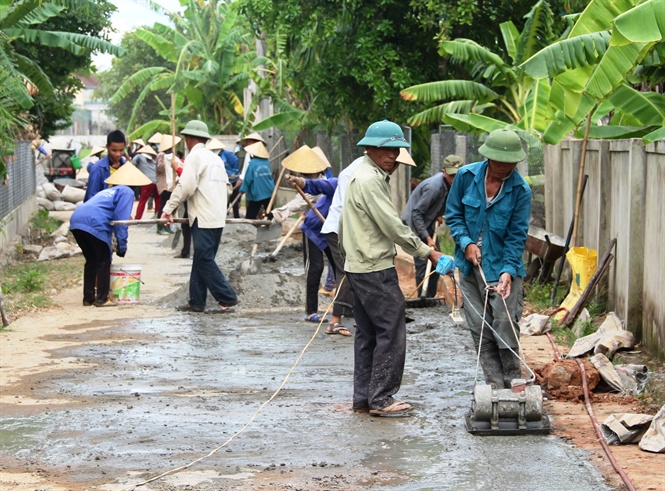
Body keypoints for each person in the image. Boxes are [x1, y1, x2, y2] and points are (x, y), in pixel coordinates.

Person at [339, 120, 443, 416]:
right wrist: (427, 252)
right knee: (391, 328)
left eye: (396, 149)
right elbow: (393, 225)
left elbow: (346, 221)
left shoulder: (360, 172)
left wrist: (348, 259)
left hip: (359, 265)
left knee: (368, 333)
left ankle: (364, 397)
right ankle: (382, 399)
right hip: (373, 266)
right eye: (386, 149)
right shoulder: (370, 180)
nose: (393, 155)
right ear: (370, 147)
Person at [445, 128, 532, 389]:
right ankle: (494, 385)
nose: (505, 168)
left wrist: (507, 271)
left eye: (511, 164)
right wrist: (466, 243)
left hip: (503, 266)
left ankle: (513, 380)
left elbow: (517, 236)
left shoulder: (521, 191)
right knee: (479, 326)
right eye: (500, 163)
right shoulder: (465, 176)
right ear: (488, 158)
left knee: (505, 322)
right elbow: (454, 215)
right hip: (470, 268)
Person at [161, 120, 238, 313]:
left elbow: (186, 186)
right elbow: (228, 188)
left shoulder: (195, 158)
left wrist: (168, 208)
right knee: (201, 258)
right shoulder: (216, 159)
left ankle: (227, 297)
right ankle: (196, 301)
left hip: (203, 216)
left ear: (187, 139)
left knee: (203, 259)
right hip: (216, 216)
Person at [70, 162, 150, 307]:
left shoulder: (108, 191)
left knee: (92, 260)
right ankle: (102, 298)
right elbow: (121, 221)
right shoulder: (127, 192)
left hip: (77, 220)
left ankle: (88, 298)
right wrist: (122, 245)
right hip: (94, 224)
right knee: (103, 260)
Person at [281, 147, 342, 328]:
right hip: (315, 228)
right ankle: (311, 311)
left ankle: (344, 308)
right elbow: (311, 190)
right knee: (314, 268)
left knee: (342, 269)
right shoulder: (335, 183)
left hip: (332, 231)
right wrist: (299, 181)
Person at [401, 154, 465, 298]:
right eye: (451, 175)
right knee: (423, 264)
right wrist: (427, 238)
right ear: (444, 172)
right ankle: (422, 299)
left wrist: (437, 214)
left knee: (437, 263)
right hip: (414, 225)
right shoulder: (434, 187)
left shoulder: (452, 185)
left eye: (457, 175)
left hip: (426, 222)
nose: (454, 179)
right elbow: (416, 213)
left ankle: (429, 297)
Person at [83, 130, 127, 202]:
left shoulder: (126, 167)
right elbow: (91, 199)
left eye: (121, 150)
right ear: (107, 147)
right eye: (114, 150)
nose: (118, 154)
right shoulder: (97, 169)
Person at [239, 141, 274, 219]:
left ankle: (249, 228)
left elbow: (248, 179)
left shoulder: (253, 163)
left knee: (250, 215)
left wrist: (242, 190)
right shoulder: (266, 162)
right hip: (269, 191)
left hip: (257, 193)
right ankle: (271, 226)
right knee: (270, 213)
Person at [155, 135, 182, 235]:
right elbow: (160, 168)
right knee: (163, 206)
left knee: (170, 207)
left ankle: (167, 226)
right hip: (164, 185)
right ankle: (160, 226)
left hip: (171, 185)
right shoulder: (161, 155)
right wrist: (168, 161)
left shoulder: (171, 156)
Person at [207, 138, 241, 218]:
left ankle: (236, 216)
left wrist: (234, 172)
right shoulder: (213, 156)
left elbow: (236, 161)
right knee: (224, 199)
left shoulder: (227, 154)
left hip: (233, 180)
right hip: (222, 181)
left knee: (234, 200)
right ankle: (224, 215)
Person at [132, 145, 160, 219]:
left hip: (147, 182)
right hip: (157, 182)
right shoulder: (155, 158)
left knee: (142, 201)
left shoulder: (138, 157)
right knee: (157, 200)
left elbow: (132, 164)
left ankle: (138, 218)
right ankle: (157, 217)